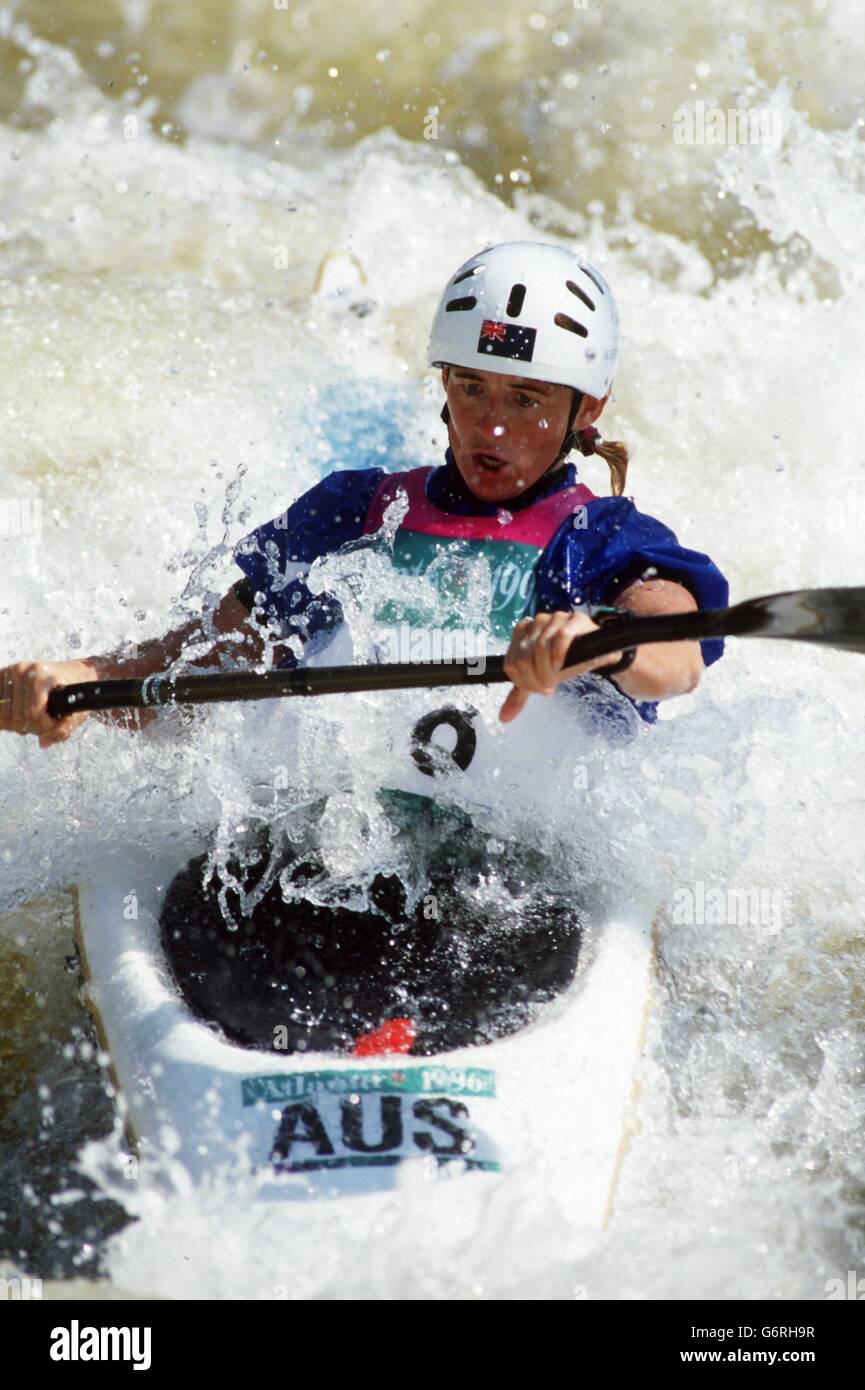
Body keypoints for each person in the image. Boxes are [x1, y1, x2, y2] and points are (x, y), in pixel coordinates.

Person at [0, 241, 728, 1055]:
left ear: (584, 411)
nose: (490, 426)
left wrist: (600, 638)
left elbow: (679, 649)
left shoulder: (598, 540)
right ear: (443, 385)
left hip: (507, 894)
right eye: (469, 386)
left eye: (527, 399)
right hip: (318, 863)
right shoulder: (355, 514)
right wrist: (86, 681)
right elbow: (209, 656)